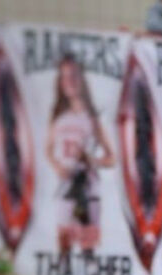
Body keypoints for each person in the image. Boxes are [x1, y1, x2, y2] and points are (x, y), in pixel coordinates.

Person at [47, 54, 115, 253]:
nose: (70, 82)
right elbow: (48, 149)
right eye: (65, 77)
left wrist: (91, 160)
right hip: (66, 188)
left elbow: (112, 158)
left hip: (88, 189)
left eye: (74, 76)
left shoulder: (92, 118)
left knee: (88, 246)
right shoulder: (58, 117)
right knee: (64, 244)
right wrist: (58, 166)